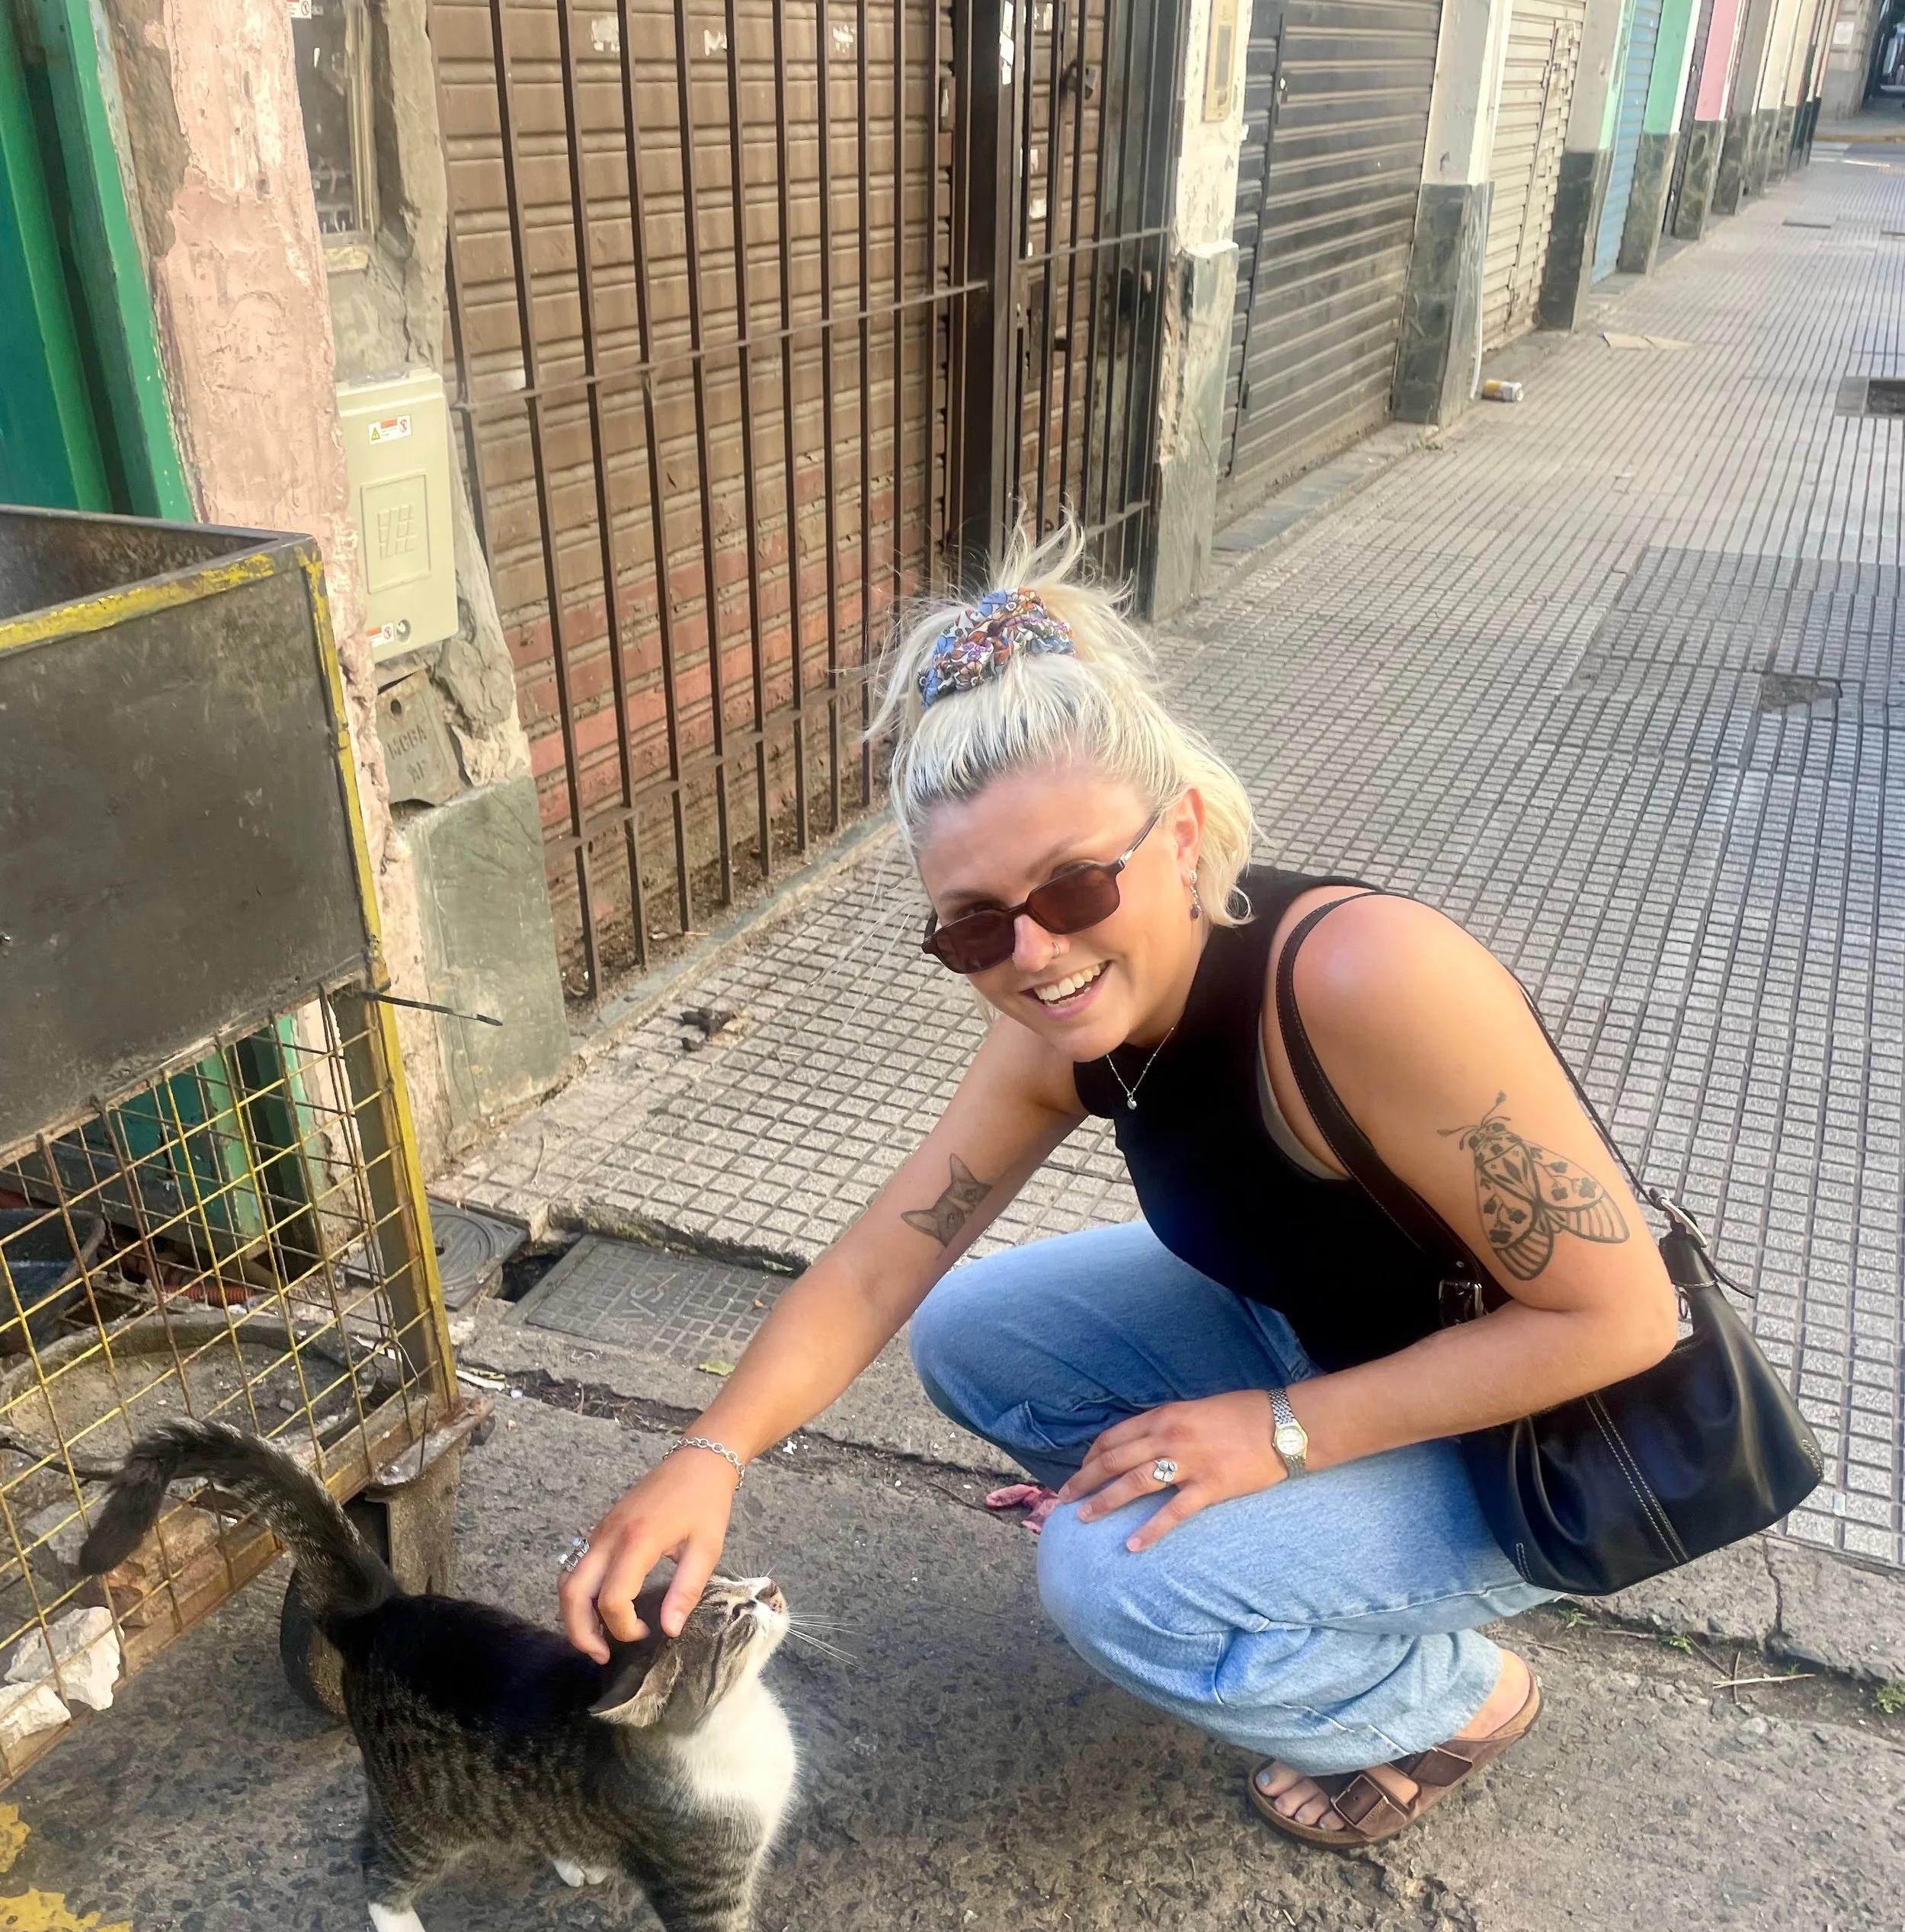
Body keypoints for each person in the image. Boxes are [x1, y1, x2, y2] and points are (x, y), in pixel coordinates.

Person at [559, 527, 1679, 1848]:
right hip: (1327, 1342)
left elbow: (1624, 1322)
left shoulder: (1367, 980)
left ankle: (1453, 1697)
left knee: (1111, 1585)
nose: (1035, 953)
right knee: (974, 1333)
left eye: (1076, 884)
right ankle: (1278, 1561)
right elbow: (877, 1267)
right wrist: (707, 1458)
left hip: (1551, 1433)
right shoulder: (1059, 1032)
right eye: (975, 925)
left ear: (1183, 832)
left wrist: (1281, 1434)